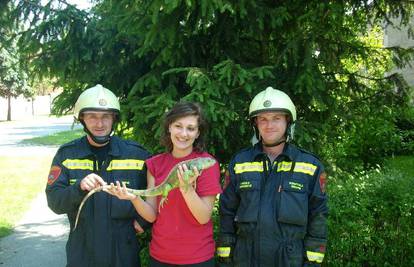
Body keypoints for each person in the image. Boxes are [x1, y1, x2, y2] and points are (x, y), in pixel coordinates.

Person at [217, 86, 328, 267]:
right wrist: (225, 257)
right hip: (245, 259)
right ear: (256, 124)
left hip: (290, 259)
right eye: (263, 119)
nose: (269, 125)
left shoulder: (310, 166)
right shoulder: (239, 162)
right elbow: (227, 212)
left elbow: (318, 216)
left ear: (288, 122)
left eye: (276, 118)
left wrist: (312, 262)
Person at [45, 84, 151, 267]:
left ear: (114, 119)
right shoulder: (67, 155)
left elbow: (155, 194)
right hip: (82, 251)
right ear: (82, 119)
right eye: (92, 116)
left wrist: (143, 222)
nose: (99, 123)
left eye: (105, 117)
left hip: (123, 253)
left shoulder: (137, 155)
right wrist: (78, 188)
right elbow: (54, 202)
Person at [106, 101, 222, 266]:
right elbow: (152, 215)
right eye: (178, 126)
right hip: (160, 257)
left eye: (191, 128)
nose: (183, 133)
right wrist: (134, 198)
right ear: (169, 127)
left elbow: (203, 217)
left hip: (197, 257)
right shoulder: (155, 164)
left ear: (198, 133)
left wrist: (186, 188)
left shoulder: (207, 163)